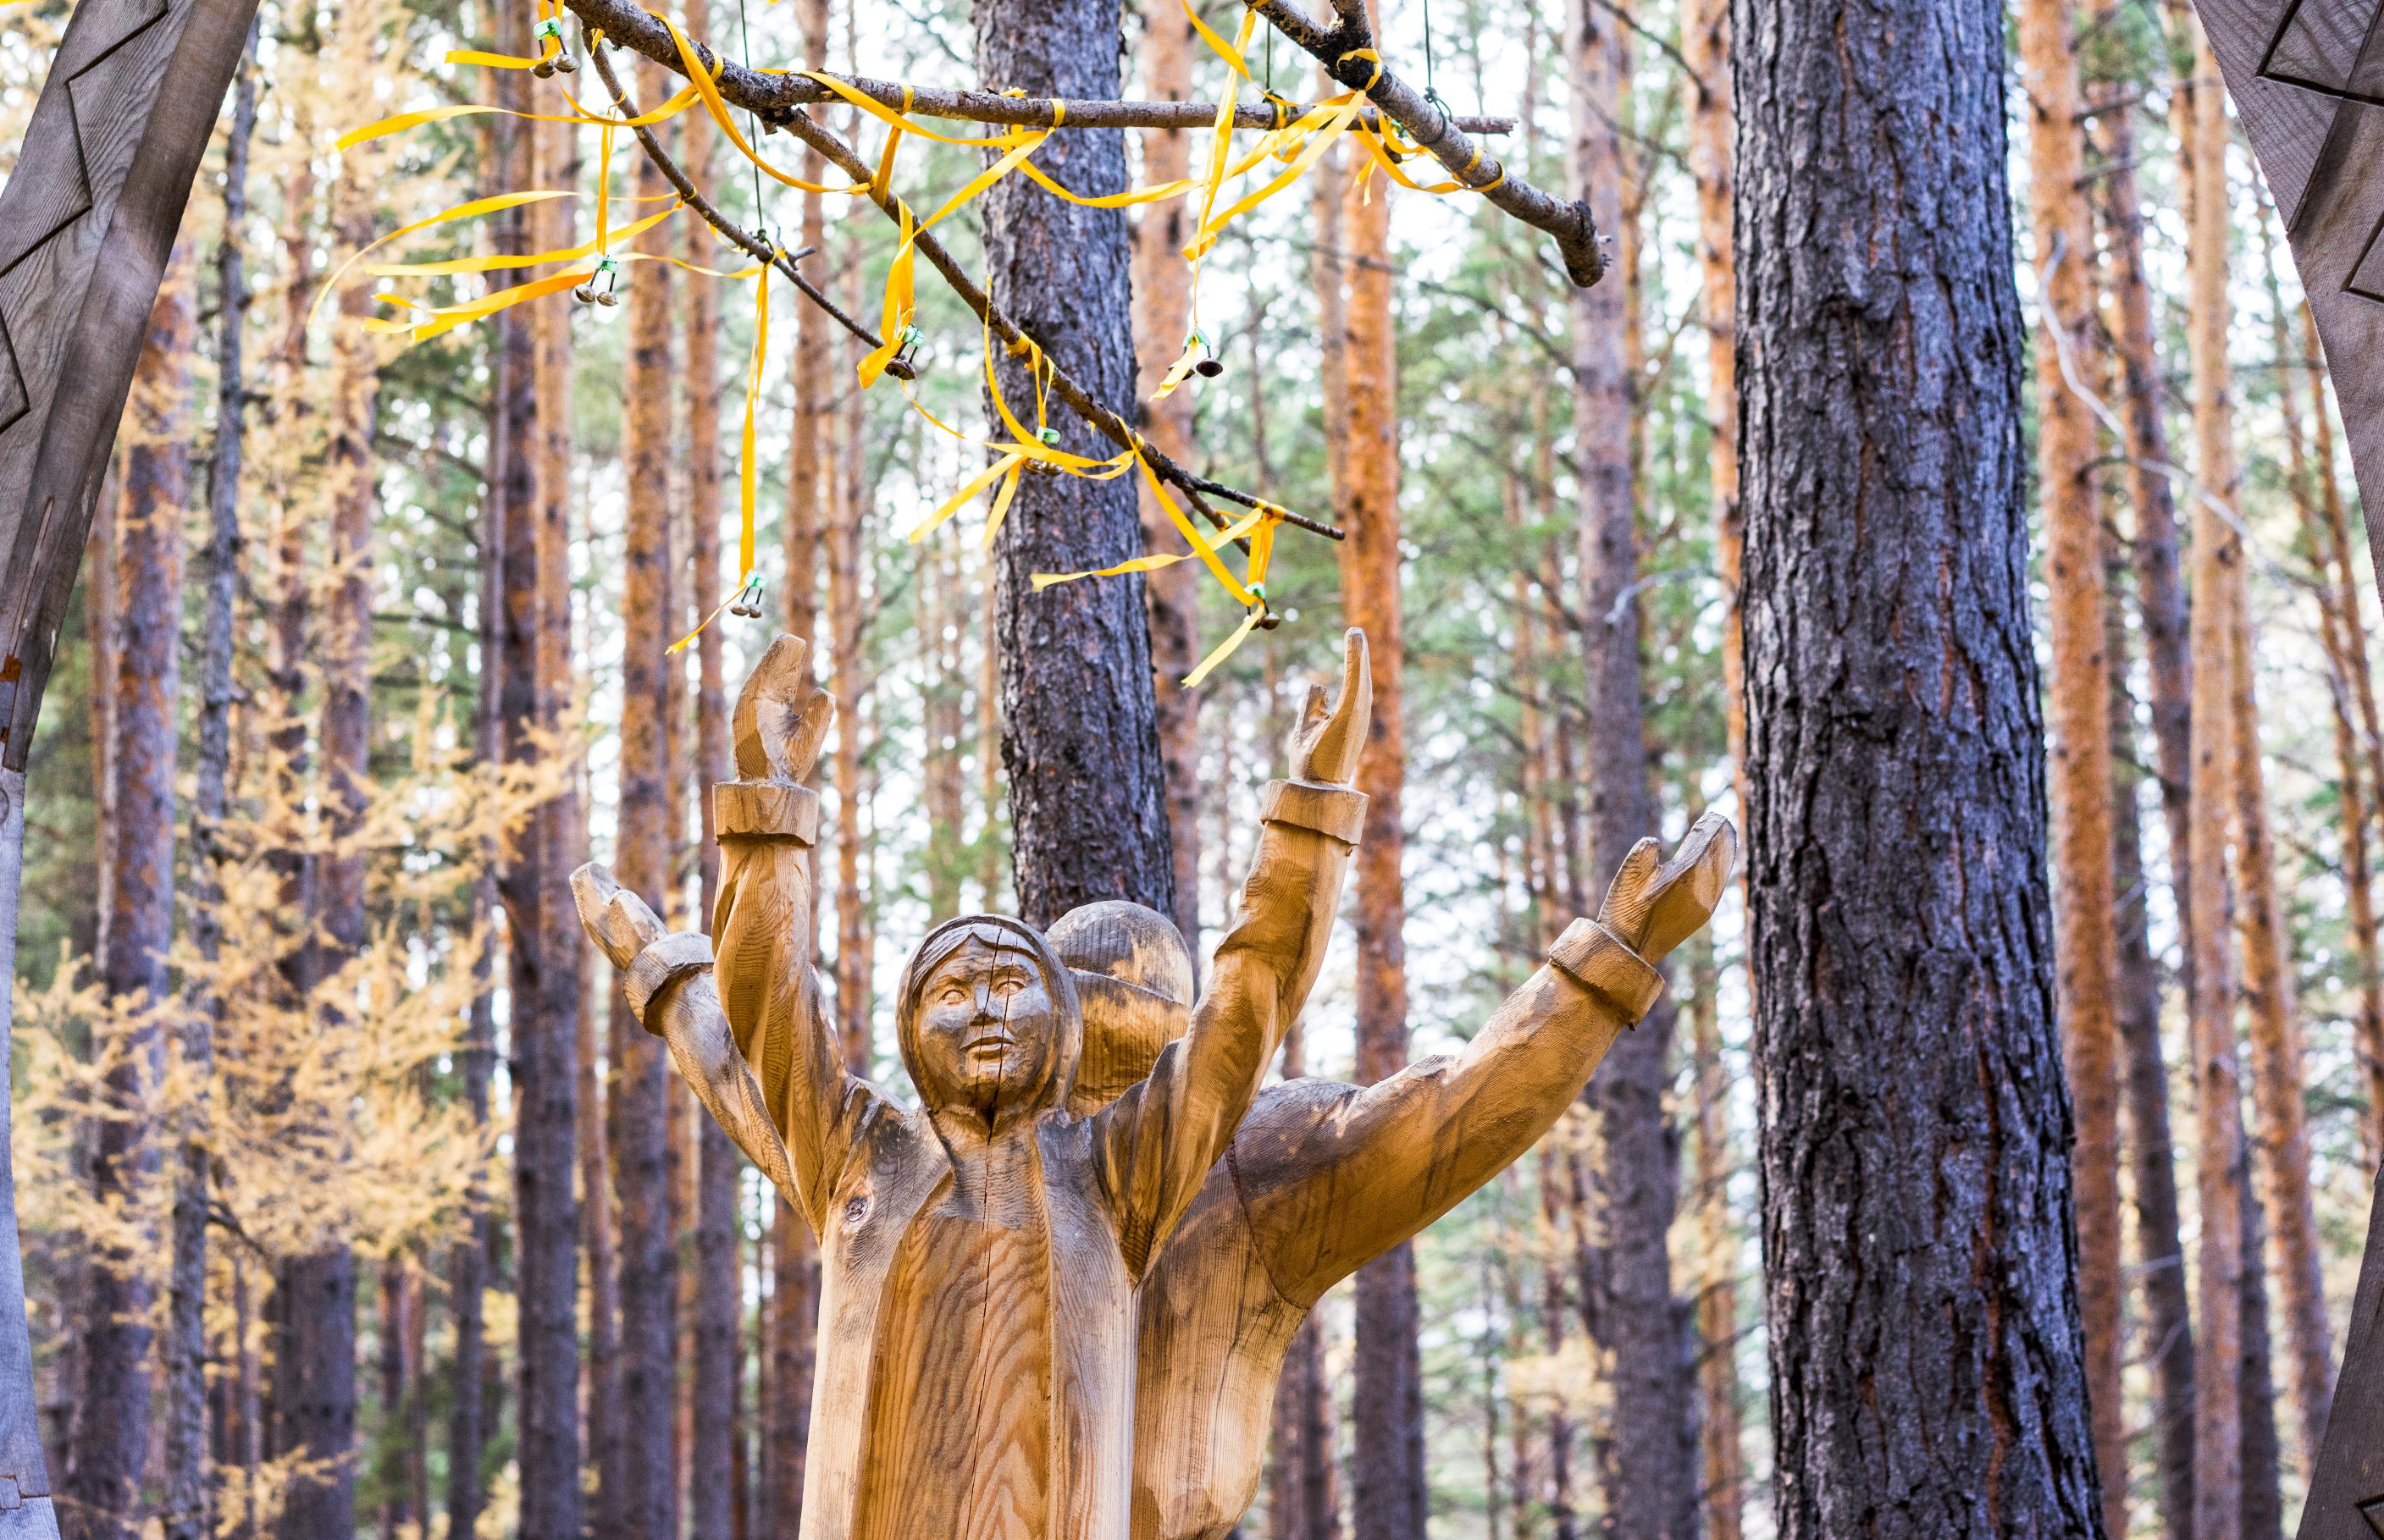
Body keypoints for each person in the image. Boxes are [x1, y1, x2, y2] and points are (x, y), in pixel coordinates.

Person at [573, 627, 1370, 1540]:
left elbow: (1245, 1009)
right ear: (914, 1027)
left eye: (1010, 985)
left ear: (1064, 1017)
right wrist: (768, 809)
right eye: (952, 991)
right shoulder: (855, 1155)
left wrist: (1310, 815)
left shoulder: (1118, 1181)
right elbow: (759, 1017)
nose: (984, 1010)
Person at [1058, 811, 1734, 1540]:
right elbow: (1451, 1114)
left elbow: (1450, 1116)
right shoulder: (998, 1167)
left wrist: (1606, 963)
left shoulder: (1244, 1154)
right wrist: (1606, 962)